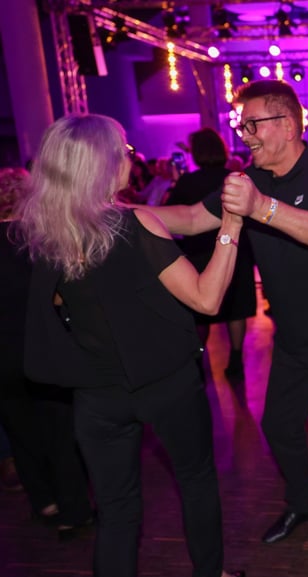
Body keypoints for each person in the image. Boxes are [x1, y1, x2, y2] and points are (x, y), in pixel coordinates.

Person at [138, 80, 308, 577]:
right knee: (278, 426)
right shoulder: (250, 179)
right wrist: (124, 214)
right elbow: (191, 218)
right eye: (241, 125)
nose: (244, 134)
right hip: (293, 338)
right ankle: (304, 502)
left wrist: (260, 208)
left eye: (252, 124)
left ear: (288, 125)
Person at [13, 114, 244, 577]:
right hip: (167, 384)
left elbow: (60, 306)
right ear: (100, 164)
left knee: (117, 512)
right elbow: (207, 298)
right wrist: (232, 227)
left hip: (97, 394)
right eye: (123, 149)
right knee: (196, 482)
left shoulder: (52, 237)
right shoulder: (136, 225)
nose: (131, 158)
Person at [0, 165, 94, 539]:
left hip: (3, 359)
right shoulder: (40, 241)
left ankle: (44, 501)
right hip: (42, 351)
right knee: (60, 432)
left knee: (20, 433)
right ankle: (73, 509)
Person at [165, 127, 257, 380]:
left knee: (200, 313)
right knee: (236, 308)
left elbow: (171, 215)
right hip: (235, 250)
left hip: (199, 251)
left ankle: (199, 361)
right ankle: (236, 358)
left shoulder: (188, 182)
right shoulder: (236, 178)